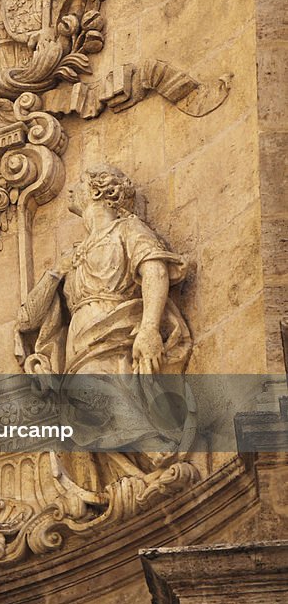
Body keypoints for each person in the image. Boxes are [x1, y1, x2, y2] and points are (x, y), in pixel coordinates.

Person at [16, 166, 194, 496]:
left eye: (79, 184)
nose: (71, 190)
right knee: (82, 418)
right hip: (79, 350)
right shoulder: (73, 254)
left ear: (98, 192)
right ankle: (135, 477)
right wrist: (57, 271)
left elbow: (154, 269)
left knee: (93, 399)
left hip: (117, 334)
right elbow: (28, 319)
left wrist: (150, 329)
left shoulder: (127, 229)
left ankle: (155, 452)